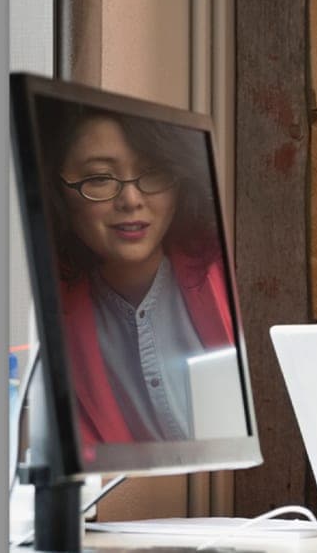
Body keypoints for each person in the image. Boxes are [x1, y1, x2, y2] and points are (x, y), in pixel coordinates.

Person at [42, 103, 236, 449]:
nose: (131, 200)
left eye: (154, 173)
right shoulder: (45, 314)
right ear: (58, 192)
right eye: (100, 178)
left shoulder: (231, 270)